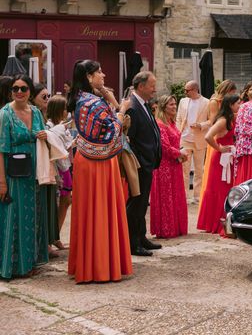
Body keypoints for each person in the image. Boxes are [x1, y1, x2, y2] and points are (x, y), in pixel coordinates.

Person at [66, 60, 132, 282]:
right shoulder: (93, 102)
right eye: (99, 72)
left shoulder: (82, 100)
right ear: (88, 76)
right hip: (100, 163)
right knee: (101, 210)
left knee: (88, 212)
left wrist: (110, 99)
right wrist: (122, 109)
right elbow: (114, 130)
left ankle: (88, 262)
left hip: (85, 159)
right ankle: (102, 265)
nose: (104, 75)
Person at [0, 74, 49, 279]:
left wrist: (45, 135)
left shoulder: (36, 112)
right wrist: (2, 182)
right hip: (14, 174)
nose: (19, 92)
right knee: (14, 218)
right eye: (15, 88)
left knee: (33, 218)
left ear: (30, 91)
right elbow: (1, 150)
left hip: (34, 173)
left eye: (23, 88)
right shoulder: (4, 114)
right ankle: (11, 266)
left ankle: (28, 263)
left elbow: (44, 135)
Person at [125, 71, 162, 257]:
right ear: (141, 86)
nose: (154, 88)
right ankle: (133, 243)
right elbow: (128, 140)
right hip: (140, 165)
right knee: (136, 204)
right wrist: (140, 161)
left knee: (142, 204)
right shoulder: (132, 106)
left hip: (148, 163)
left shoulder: (143, 104)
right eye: (152, 85)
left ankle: (141, 237)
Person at [198, 94, 241, 235]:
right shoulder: (222, 120)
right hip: (221, 159)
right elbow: (208, 136)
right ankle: (214, 223)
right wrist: (219, 148)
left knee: (226, 189)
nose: (239, 106)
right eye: (237, 103)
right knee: (219, 189)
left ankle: (221, 221)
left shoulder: (231, 118)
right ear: (230, 105)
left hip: (229, 156)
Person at [150, 95, 188, 239]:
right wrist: (180, 152)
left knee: (176, 195)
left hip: (175, 164)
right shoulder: (160, 124)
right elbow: (164, 147)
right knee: (166, 197)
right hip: (164, 166)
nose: (174, 107)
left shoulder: (171, 123)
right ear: (163, 107)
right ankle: (166, 229)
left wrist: (181, 153)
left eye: (175, 104)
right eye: (171, 104)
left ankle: (176, 226)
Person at [31, 83, 62, 256]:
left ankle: (49, 241)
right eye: (44, 96)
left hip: (48, 164)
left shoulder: (41, 116)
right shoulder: (35, 116)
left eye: (48, 96)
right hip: (39, 166)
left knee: (51, 203)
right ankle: (46, 244)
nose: (47, 99)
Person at [199, 80, 236, 200]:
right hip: (218, 139)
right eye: (232, 92)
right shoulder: (215, 102)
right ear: (226, 91)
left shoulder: (231, 107)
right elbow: (213, 121)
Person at [45, 95, 74, 249]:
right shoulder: (49, 127)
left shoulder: (62, 126)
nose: (66, 111)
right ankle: (51, 238)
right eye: (64, 109)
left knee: (66, 201)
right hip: (57, 168)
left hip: (65, 166)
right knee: (56, 203)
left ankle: (56, 235)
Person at [176, 80, 210, 203]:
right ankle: (184, 196)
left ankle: (197, 196)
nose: (185, 92)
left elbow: (211, 120)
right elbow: (178, 118)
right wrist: (178, 132)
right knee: (184, 169)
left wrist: (200, 125)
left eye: (187, 90)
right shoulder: (183, 101)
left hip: (199, 139)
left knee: (199, 169)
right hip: (184, 139)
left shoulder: (207, 102)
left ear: (195, 89)